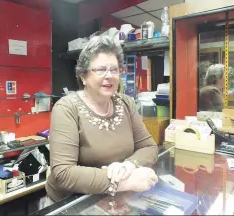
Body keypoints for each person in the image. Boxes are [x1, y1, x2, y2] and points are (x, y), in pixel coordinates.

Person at [45, 36, 159, 205]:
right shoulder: (67, 108)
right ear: (83, 76)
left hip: (109, 201)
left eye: (114, 69)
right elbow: (63, 173)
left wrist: (128, 166)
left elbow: (149, 147)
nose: (109, 76)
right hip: (71, 204)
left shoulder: (126, 103)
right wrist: (123, 182)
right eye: (101, 70)